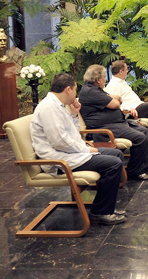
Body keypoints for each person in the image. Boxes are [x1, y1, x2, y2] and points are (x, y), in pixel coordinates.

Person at [30, 73, 126, 225]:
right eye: (75, 90)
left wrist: (74, 115)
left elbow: (70, 135)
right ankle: (101, 213)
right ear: (68, 89)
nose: (76, 94)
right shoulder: (49, 107)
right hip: (58, 160)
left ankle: (104, 205)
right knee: (113, 163)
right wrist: (87, 150)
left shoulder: (59, 106)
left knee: (116, 154)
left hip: (69, 153)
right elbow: (60, 141)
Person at [79, 64, 148, 181]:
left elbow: (117, 99)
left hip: (116, 124)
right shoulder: (90, 91)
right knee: (139, 137)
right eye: (104, 77)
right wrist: (115, 99)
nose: (106, 79)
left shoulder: (96, 90)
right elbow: (116, 103)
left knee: (143, 131)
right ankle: (134, 171)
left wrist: (115, 98)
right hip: (104, 129)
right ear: (98, 80)